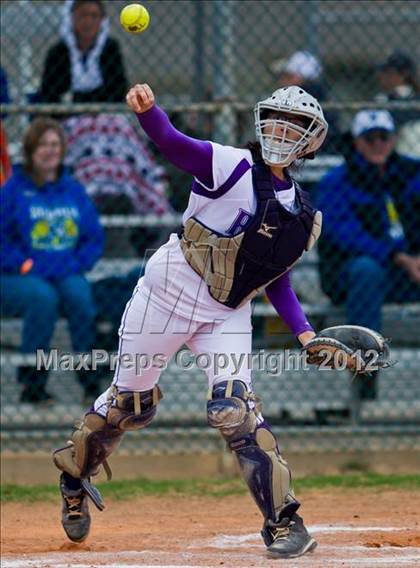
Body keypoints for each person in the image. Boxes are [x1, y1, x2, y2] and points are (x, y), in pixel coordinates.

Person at [52, 83, 328, 559]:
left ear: (311, 141)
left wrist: (305, 333)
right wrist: (149, 112)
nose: (281, 131)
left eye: (294, 125)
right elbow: (175, 145)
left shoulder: (301, 216)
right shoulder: (231, 164)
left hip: (226, 311)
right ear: (260, 123)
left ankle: (284, 522)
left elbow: (277, 281)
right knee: (130, 406)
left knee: (234, 409)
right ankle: (74, 477)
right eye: (275, 120)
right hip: (168, 292)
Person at [316, 109, 420, 400]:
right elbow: (344, 233)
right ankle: (365, 377)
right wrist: (400, 258)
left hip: (406, 273)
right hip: (350, 277)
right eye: (369, 138)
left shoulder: (411, 173)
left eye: (383, 138)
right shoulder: (337, 181)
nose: (378, 145)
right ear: (357, 142)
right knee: (366, 270)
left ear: (394, 140)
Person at [0, 118, 104, 403]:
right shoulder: (13, 190)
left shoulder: (73, 190)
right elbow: (2, 241)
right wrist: (23, 264)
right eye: (43, 144)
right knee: (42, 299)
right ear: (31, 150)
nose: (50, 150)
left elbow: (93, 237)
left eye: (55, 144)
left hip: (65, 271)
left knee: (80, 297)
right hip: (22, 274)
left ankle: (91, 381)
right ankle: (32, 384)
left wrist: (79, 263)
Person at [39, 0, 127, 104]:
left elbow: (118, 90)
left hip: (104, 114)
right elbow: (50, 92)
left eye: (94, 16)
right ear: (72, 18)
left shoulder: (110, 48)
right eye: (83, 15)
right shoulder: (58, 52)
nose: (88, 21)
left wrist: (78, 98)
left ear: (102, 20)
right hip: (66, 116)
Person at [375, 51, 420, 158]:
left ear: (403, 74)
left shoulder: (412, 98)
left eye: (388, 72)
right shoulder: (383, 99)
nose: (382, 76)